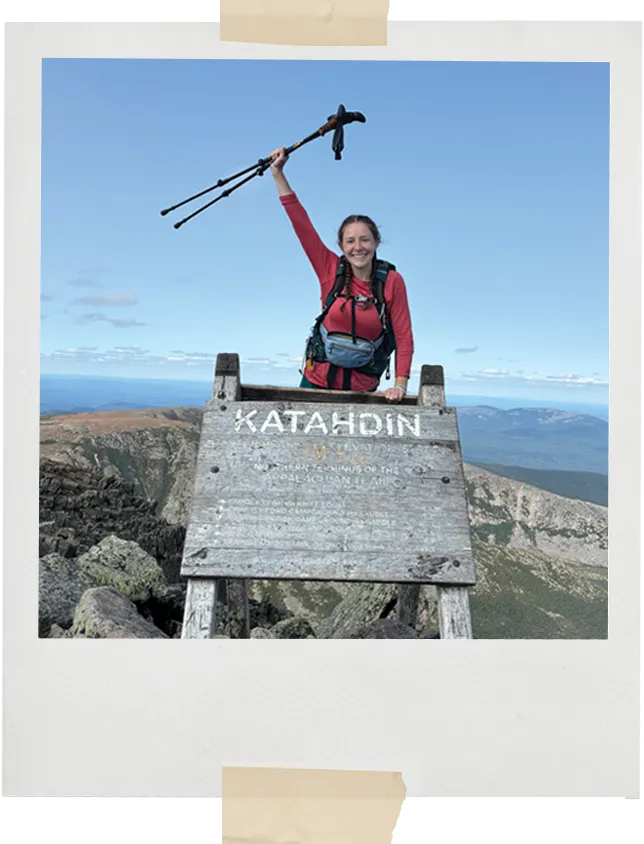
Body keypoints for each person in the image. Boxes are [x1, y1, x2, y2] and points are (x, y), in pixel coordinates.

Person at [269, 147, 414, 404]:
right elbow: (301, 224)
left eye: (364, 240)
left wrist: (400, 384)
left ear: (377, 243)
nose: (358, 247)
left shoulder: (391, 281)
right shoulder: (329, 268)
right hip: (315, 381)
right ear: (341, 246)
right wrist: (278, 173)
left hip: (362, 389)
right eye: (350, 241)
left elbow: (403, 334)